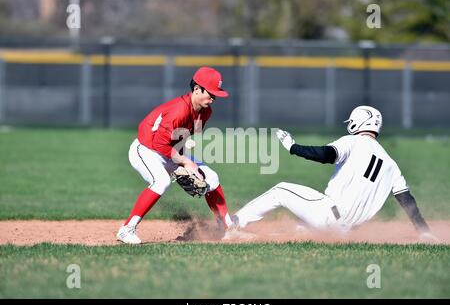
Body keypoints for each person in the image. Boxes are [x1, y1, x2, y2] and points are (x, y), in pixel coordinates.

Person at [224, 105, 439, 243]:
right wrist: (423, 231)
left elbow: (326, 154)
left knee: (280, 190)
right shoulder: (392, 165)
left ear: (357, 123)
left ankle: (234, 222)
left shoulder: (353, 141)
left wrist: (293, 147)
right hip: (346, 234)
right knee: (299, 233)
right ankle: (247, 238)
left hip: (329, 214)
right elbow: (407, 201)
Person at [117, 66, 234, 244]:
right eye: (210, 93)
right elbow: (159, 144)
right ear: (196, 89)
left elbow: (180, 138)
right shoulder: (178, 111)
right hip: (146, 150)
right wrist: (185, 162)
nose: (213, 98)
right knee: (161, 181)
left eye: (215, 94)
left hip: (169, 151)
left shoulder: (205, 112)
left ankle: (226, 228)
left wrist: (185, 158)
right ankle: (127, 229)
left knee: (211, 177)